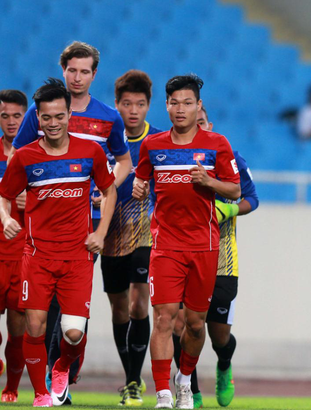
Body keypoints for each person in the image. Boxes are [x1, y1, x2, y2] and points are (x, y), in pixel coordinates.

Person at [11, 41, 131, 395]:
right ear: (63, 70)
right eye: (72, 70)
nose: (77, 77)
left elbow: (123, 161)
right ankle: (49, 379)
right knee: (42, 307)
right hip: (44, 219)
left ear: (94, 74)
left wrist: (105, 189)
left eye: (84, 71)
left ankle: (63, 369)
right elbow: (20, 156)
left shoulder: (108, 117)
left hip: (88, 220)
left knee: (73, 308)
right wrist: (21, 191)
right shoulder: (44, 111)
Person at [132, 74, 240, 409]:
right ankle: (163, 393)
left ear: (198, 106)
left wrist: (209, 181)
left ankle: (184, 381)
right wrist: (139, 188)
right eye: (174, 103)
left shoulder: (217, 144)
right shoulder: (152, 146)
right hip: (165, 246)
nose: (180, 109)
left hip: (204, 247)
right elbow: (141, 180)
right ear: (166, 106)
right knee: (164, 319)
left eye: (187, 103)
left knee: (195, 325)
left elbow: (235, 189)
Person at [171, 105, 259, 408]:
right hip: (181, 253)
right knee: (181, 325)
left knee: (219, 335)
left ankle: (224, 365)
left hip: (222, 259)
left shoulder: (231, 158)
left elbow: (252, 198)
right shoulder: (172, 158)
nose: (198, 129)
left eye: (202, 123)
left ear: (210, 125)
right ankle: (190, 390)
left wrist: (229, 208)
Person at [105, 70, 163, 406]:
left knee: (139, 304)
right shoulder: (105, 142)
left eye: (140, 104)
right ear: (117, 104)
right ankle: (131, 375)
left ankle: (132, 383)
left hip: (146, 234)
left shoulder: (158, 142)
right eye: (127, 104)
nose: (133, 110)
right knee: (118, 310)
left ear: (148, 105)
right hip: (111, 235)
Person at [0, 89, 28, 403]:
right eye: (4, 115)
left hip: (23, 254)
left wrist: (31, 199)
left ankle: (11, 388)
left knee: (17, 328)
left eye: (16, 116)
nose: (10, 121)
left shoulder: (35, 156)